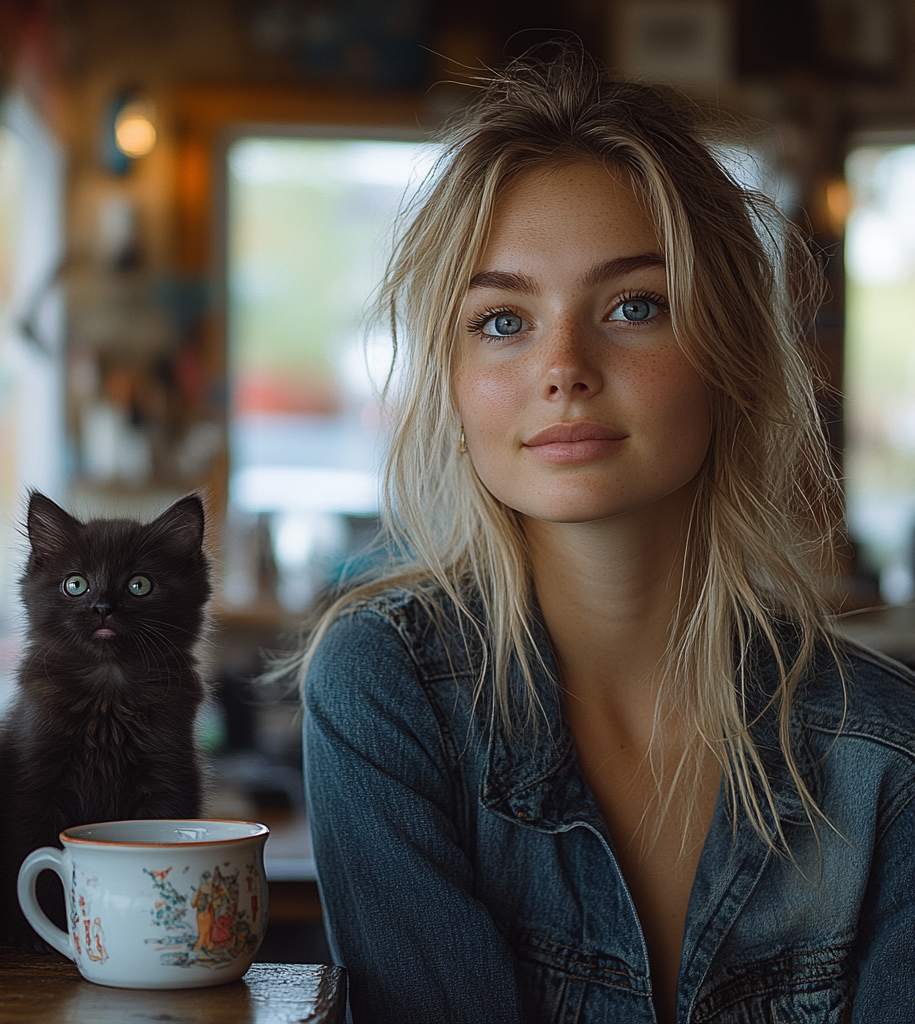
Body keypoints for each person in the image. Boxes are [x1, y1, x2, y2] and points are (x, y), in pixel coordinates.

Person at [298, 47, 915, 1024]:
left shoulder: (886, 753)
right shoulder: (384, 688)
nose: (564, 367)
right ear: (451, 385)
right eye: (501, 320)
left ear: (729, 353)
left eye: (633, 305)